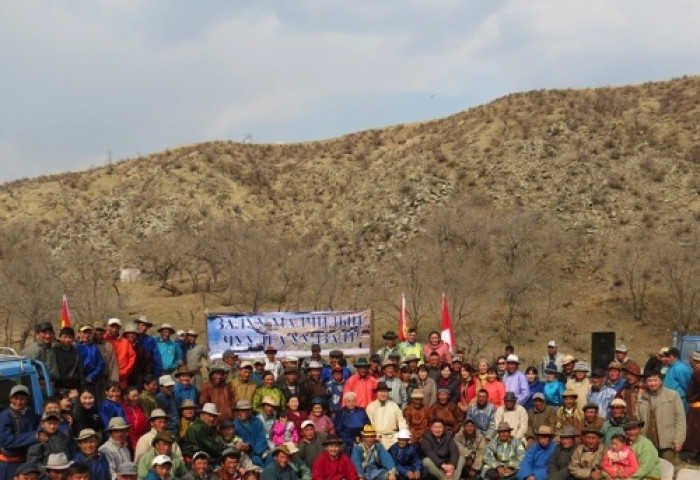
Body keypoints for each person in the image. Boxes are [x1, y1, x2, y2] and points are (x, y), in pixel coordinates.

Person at [635, 370, 686, 464]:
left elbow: (680, 419)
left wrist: (679, 440)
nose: (652, 383)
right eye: (649, 381)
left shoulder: (673, 395)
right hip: (648, 440)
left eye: (655, 380)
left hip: (668, 440)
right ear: (646, 382)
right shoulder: (641, 397)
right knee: (651, 468)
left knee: (671, 468)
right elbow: (638, 419)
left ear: (661, 381)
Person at [366, 381, 408, 449]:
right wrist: (374, 436)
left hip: (393, 438)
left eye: (385, 391)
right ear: (377, 393)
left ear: (388, 393)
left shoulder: (394, 405)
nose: (383, 394)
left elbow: (401, 422)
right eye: (380, 391)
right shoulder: (371, 407)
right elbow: (369, 425)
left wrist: (404, 435)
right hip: (378, 438)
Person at [233, 400, 271, 468]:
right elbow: (237, 440)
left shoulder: (256, 421)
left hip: (261, 450)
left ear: (249, 411)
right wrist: (249, 449)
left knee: (271, 458)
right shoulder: (235, 425)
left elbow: (262, 437)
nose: (244, 413)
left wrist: (259, 451)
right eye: (241, 411)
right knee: (257, 461)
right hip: (248, 454)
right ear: (237, 411)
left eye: (246, 410)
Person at [104, 318, 138, 389]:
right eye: (112, 327)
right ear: (108, 327)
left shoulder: (125, 342)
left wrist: (124, 372)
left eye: (117, 327)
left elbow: (132, 358)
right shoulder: (103, 340)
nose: (114, 329)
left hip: (122, 378)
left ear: (120, 328)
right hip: (105, 377)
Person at [76, 325, 106, 397]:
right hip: (78, 380)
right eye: (84, 333)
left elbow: (101, 364)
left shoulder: (94, 347)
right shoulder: (75, 347)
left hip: (92, 380)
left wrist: (91, 376)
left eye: (88, 333)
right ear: (79, 333)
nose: (86, 335)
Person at [93, 323, 120, 404]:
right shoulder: (88, 344)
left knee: (104, 402)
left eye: (101, 331)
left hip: (104, 380)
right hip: (91, 381)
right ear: (93, 331)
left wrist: (114, 382)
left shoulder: (108, 345)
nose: (99, 332)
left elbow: (113, 364)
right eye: (97, 330)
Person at [662, 347, 692, 412]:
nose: (667, 359)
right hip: (670, 399)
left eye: (669, 357)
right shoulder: (671, 367)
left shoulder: (680, 368)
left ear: (675, 357)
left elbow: (687, 385)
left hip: (679, 400)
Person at [122, 386, 149, 451]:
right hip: (130, 442)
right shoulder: (122, 409)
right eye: (133, 396)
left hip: (142, 440)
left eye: (137, 395)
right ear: (125, 397)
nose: (136, 398)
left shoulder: (139, 407)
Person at [686, 350, 700, 465]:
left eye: (691, 359)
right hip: (696, 406)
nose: (689, 361)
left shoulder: (698, 373)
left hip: (697, 408)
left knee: (696, 432)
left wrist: (692, 398)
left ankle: (698, 457)